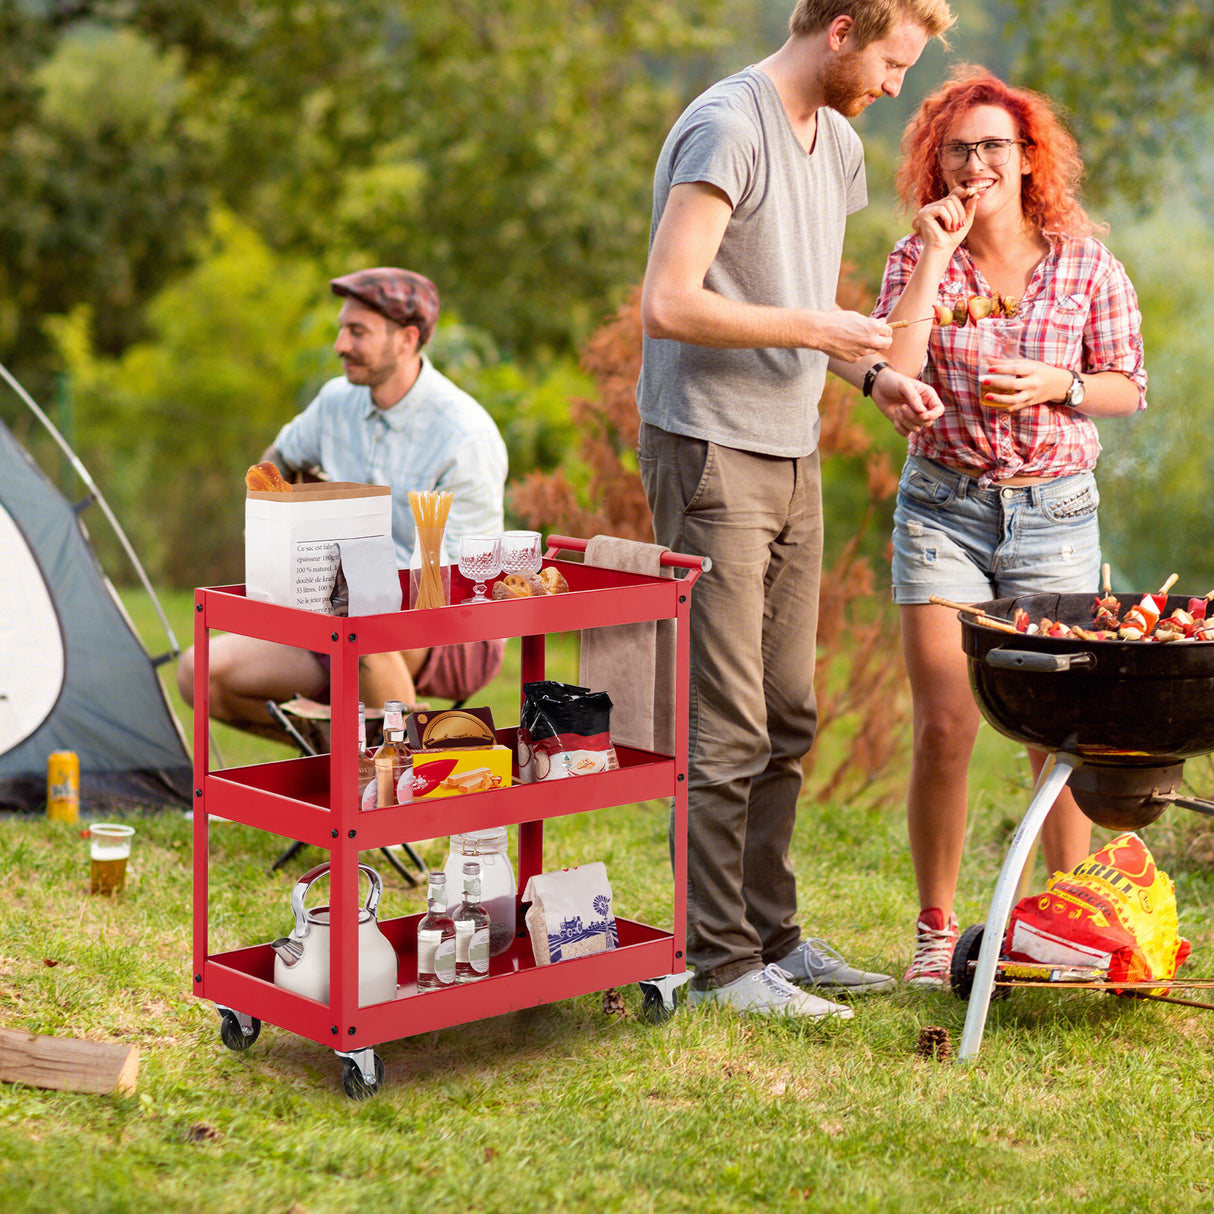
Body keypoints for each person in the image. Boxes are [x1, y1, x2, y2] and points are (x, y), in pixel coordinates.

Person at [636, 0, 955, 1018]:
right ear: (842, 28)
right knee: (724, 721)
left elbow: (790, 295)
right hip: (708, 445)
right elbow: (670, 300)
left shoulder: (841, 145)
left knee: (785, 712)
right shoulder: (727, 125)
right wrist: (817, 326)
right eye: (892, 62)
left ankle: (772, 937)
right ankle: (720, 961)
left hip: (789, 445)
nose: (894, 85)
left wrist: (866, 378)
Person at [872, 67, 1148, 985]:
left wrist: (1057, 384)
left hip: (1056, 512)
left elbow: (1125, 385)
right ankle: (934, 931)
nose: (977, 162)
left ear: (1028, 159)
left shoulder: (1084, 261)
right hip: (943, 506)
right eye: (960, 148)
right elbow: (892, 369)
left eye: (995, 145)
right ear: (937, 161)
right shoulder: (917, 255)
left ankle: (1063, 928)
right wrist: (935, 257)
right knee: (947, 722)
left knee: (1056, 734)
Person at [177, 267, 509, 742]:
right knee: (201, 672)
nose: (339, 344)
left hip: (451, 625)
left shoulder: (464, 436)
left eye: (357, 332)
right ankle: (343, 758)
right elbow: (277, 460)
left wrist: (356, 590)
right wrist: (279, 527)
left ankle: (408, 779)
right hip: (333, 610)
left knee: (361, 625)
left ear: (406, 339)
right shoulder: (336, 402)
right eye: (341, 328)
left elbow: (458, 581)